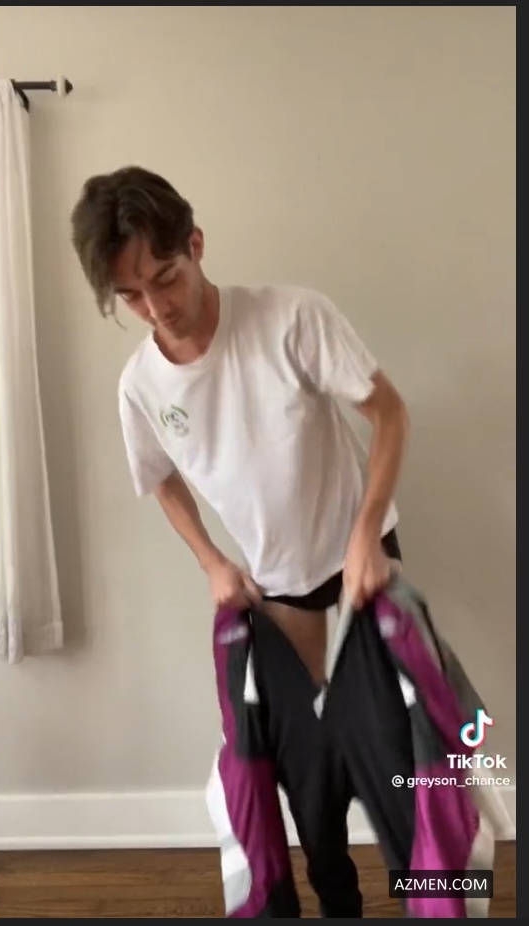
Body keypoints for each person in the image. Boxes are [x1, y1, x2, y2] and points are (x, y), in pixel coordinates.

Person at [71, 165, 410, 917]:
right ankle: (341, 904)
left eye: (166, 277)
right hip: (277, 591)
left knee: (401, 764)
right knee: (311, 782)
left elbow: (389, 413)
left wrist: (365, 534)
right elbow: (159, 478)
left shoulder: (292, 318)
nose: (157, 307)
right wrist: (211, 561)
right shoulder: (140, 387)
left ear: (195, 244)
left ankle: (436, 899)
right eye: (132, 296)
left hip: (365, 565)